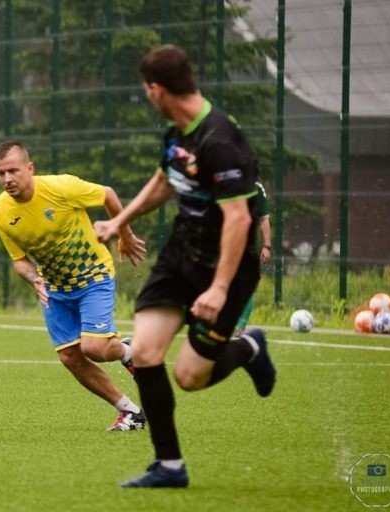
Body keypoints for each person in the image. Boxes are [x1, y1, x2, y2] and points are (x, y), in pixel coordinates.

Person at [93, 44, 276, 487]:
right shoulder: (178, 131)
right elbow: (163, 182)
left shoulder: (221, 139)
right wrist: (120, 221)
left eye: (145, 90)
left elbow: (238, 220)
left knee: (191, 376)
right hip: (180, 256)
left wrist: (218, 289)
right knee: (147, 352)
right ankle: (169, 466)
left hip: (225, 267)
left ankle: (249, 347)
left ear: (156, 89)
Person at [0, 140, 148, 431]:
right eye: (0, 174)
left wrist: (124, 234)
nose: (7, 179)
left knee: (95, 348)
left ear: (30, 168)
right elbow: (19, 260)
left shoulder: (61, 187)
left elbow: (108, 195)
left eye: (13, 171)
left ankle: (129, 353)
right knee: (70, 357)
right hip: (54, 288)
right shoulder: (0, 212)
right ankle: (130, 412)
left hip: (93, 275)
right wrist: (33, 277)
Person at [235, 182, 272, 335]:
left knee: (247, 284)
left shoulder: (256, 187)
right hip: (221, 243)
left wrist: (267, 246)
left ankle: (240, 326)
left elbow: (263, 218)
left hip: (246, 245)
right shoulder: (220, 179)